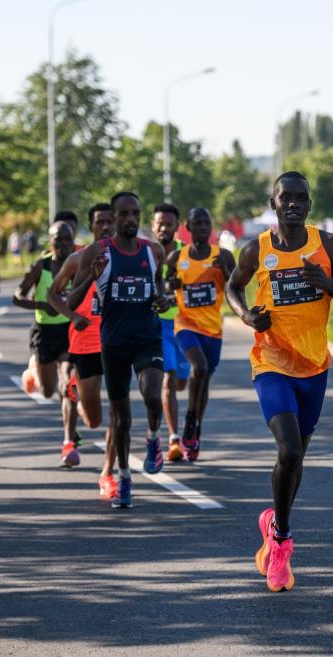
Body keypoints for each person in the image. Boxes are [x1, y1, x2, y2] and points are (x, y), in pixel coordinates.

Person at [227, 171, 333, 592]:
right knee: (287, 448)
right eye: (286, 197)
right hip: (271, 361)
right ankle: (282, 540)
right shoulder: (257, 250)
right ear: (273, 202)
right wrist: (247, 315)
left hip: (314, 367)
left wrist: (329, 285)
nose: (294, 204)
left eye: (301, 198)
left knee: (297, 456)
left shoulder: (328, 247)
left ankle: (274, 522)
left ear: (309, 204)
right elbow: (233, 287)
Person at [69, 191, 169, 509]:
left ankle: (153, 438)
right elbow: (71, 302)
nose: (130, 220)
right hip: (113, 344)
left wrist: (163, 299)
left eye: (135, 214)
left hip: (147, 338)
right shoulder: (97, 253)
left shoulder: (153, 251)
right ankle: (124, 477)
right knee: (121, 418)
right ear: (112, 219)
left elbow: (160, 287)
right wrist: (91, 280)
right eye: (123, 214)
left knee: (153, 394)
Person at [47, 203, 118, 497]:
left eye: (109, 221)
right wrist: (73, 316)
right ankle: (76, 391)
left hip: (117, 341)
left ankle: (108, 473)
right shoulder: (78, 259)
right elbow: (53, 293)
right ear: (91, 226)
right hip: (85, 343)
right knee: (93, 420)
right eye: (100, 221)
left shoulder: (128, 257)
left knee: (119, 410)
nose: (105, 225)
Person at [165, 207, 235, 462]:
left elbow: (236, 289)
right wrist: (168, 285)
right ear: (188, 226)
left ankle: (196, 428)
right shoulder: (176, 257)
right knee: (200, 367)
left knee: (204, 378)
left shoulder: (223, 255)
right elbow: (162, 284)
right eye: (198, 223)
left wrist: (225, 271)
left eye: (207, 223)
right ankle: (190, 421)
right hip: (185, 324)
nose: (204, 227)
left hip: (213, 329)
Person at [14, 221, 78, 466]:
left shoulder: (77, 264)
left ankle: (69, 443)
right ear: (49, 242)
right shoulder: (40, 266)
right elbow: (18, 296)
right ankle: (33, 372)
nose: (62, 244)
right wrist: (43, 306)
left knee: (68, 384)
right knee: (48, 391)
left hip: (69, 332)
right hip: (44, 333)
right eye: (57, 239)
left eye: (66, 239)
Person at [151, 203, 191, 461]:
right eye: (159, 224)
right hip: (158, 326)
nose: (164, 228)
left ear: (177, 227)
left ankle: (180, 432)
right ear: (153, 226)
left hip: (184, 324)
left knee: (181, 381)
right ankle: (174, 439)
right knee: (168, 378)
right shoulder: (147, 254)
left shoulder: (186, 254)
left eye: (169, 224)